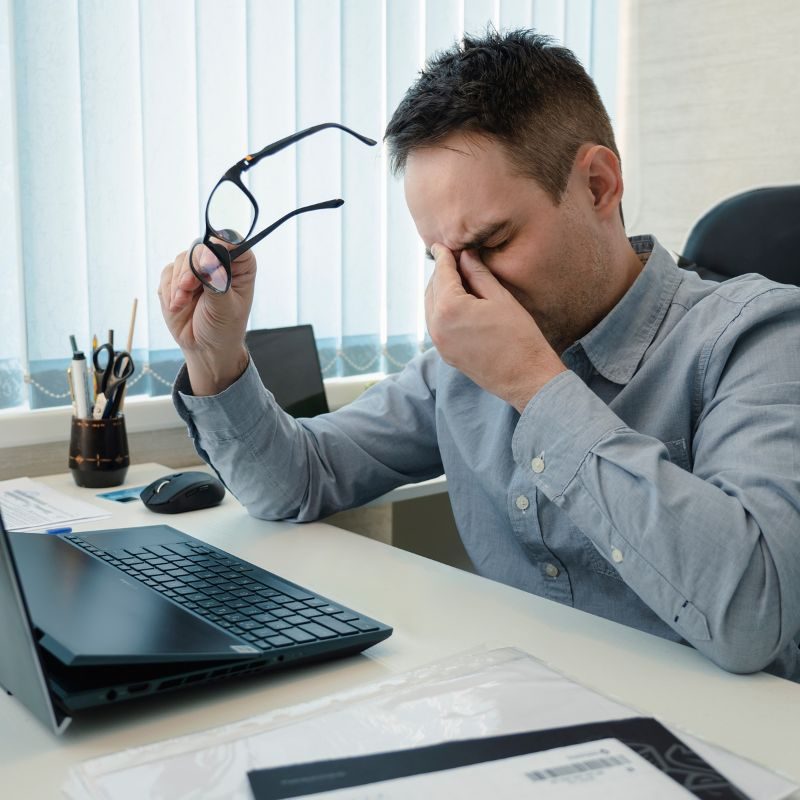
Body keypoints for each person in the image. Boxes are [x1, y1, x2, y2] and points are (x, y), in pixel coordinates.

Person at [159, 29, 800, 681]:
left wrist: (531, 384)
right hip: (521, 716)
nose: (460, 288)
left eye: (491, 243)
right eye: (437, 257)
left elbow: (752, 615)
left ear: (599, 186)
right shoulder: (459, 362)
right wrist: (217, 355)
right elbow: (294, 482)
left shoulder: (760, 335)